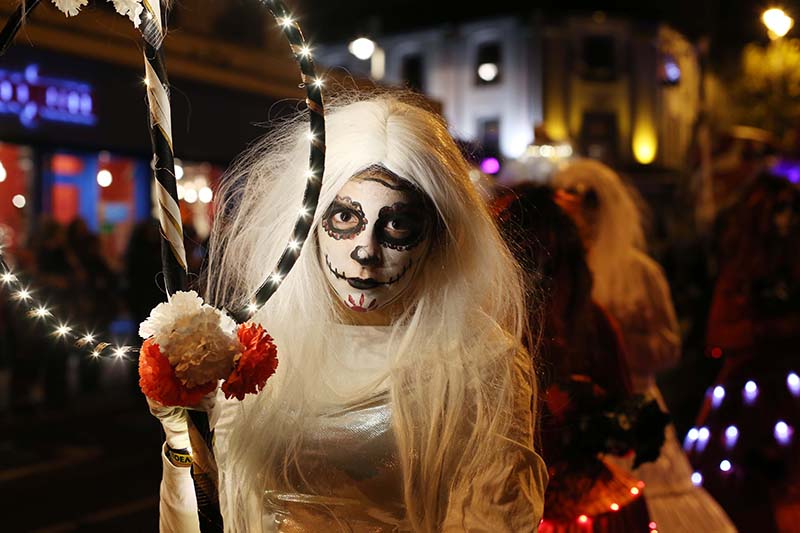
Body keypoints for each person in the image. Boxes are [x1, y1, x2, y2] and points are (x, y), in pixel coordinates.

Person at [149, 92, 547, 532]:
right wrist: (179, 429)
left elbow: (493, 516)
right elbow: (203, 508)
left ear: (437, 236)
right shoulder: (252, 348)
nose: (365, 251)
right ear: (310, 224)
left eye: (397, 224)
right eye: (344, 218)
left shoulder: (480, 360)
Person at [553, 159, 735, 533]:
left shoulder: (640, 272)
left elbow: (668, 345)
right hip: (577, 412)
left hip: (632, 407)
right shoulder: (559, 271)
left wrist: (615, 342)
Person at [495, 184, 663, 532]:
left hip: (576, 499)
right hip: (508, 494)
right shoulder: (490, 328)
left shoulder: (593, 322)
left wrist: (586, 408)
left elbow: (622, 403)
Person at [694, 173, 800, 532]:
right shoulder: (742, 270)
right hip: (749, 394)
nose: (785, 220)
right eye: (779, 211)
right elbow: (718, 334)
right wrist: (770, 329)